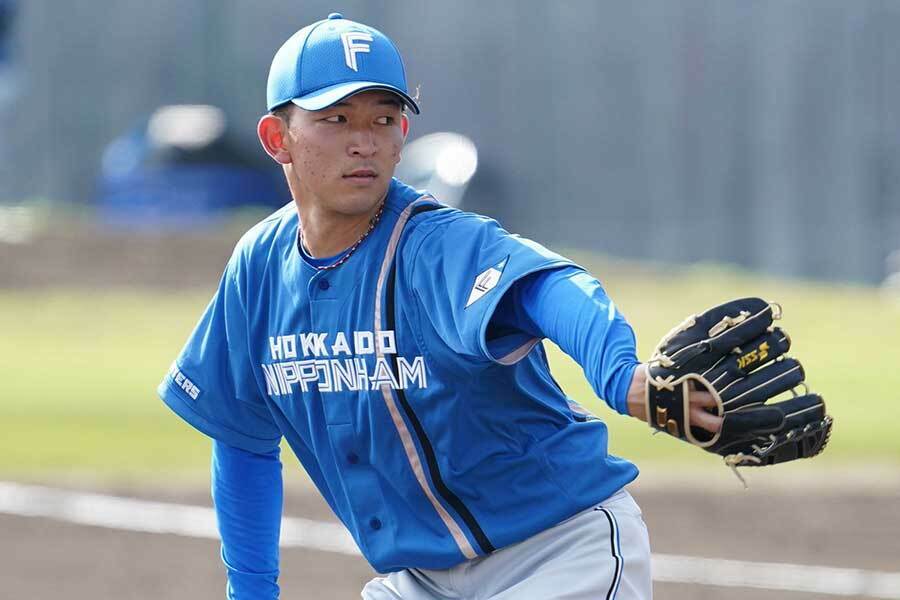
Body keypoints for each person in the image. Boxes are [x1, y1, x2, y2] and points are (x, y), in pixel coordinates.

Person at [159, 12, 721, 600]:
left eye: (383, 119)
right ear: (278, 139)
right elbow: (242, 437)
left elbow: (549, 289)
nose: (364, 140)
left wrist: (620, 375)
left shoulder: (436, 245)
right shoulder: (259, 268)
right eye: (336, 119)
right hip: (421, 581)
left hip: (558, 555)